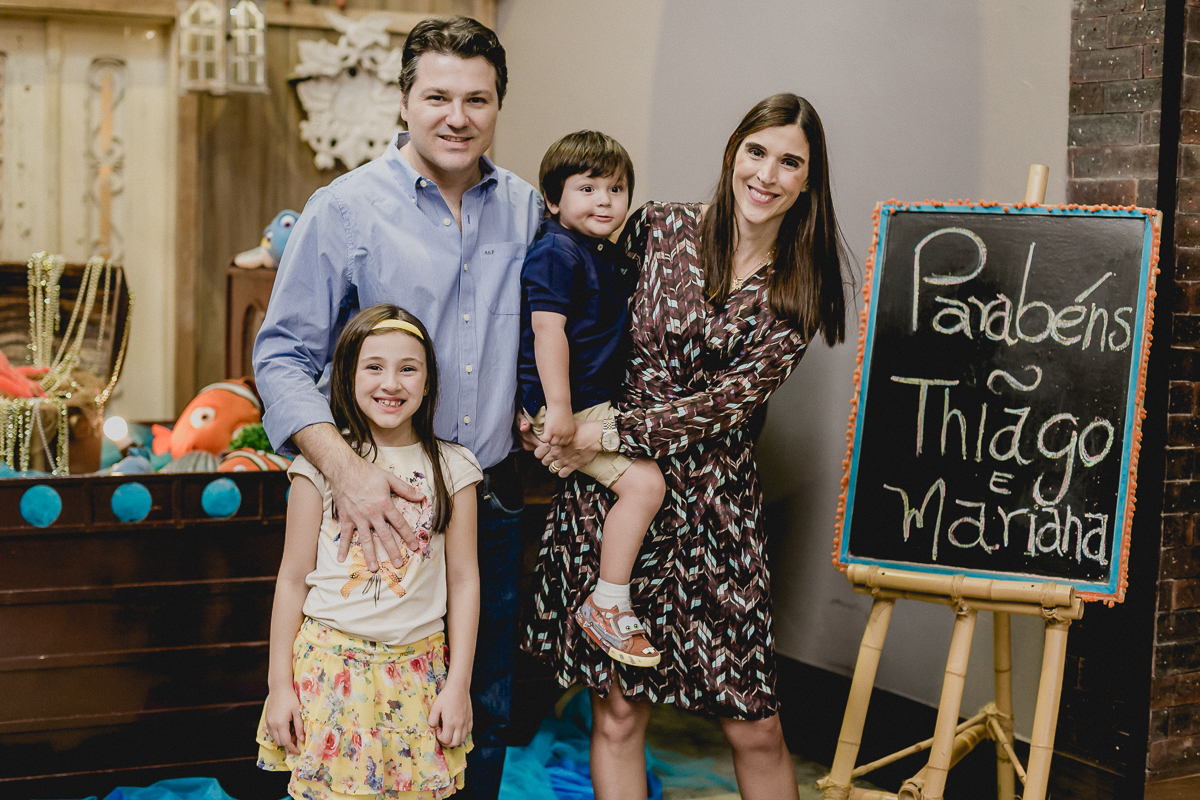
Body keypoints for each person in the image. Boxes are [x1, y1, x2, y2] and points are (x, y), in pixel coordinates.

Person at [523, 94, 851, 800]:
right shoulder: (660, 228)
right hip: (616, 495)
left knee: (754, 721)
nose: (767, 174)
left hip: (715, 511)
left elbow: (725, 405)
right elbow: (577, 317)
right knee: (616, 712)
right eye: (757, 152)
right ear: (735, 152)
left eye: (789, 161)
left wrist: (598, 432)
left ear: (807, 181)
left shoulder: (803, 285)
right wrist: (544, 414)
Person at [252, 16, 543, 799]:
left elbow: (552, 328)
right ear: (406, 100)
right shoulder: (344, 208)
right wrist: (346, 473)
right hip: (369, 504)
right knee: (357, 722)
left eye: (477, 99)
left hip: (486, 499)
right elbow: (281, 356)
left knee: (474, 716)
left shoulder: (526, 210)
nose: (458, 116)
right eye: (438, 95)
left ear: (498, 105)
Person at [256, 305, 481, 799]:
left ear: (428, 380)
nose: (391, 383)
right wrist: (279, 687)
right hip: (329, 669)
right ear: (348, 376)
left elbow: (464, 581)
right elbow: (292, 579)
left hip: (418, 674)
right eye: (374, 366)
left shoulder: (454, 467)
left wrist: (458, 683)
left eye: (408, 368)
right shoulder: (319, 467)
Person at [518, 130, 666, 669]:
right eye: (587, 188)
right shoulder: (557, 252)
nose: (605, 200)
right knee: (647, 485)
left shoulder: (600, 251)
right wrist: (555, 408)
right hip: (570, 404)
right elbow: (546, 332)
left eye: (616, 188)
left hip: (586, 400)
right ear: (555, 201)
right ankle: (608, 602)